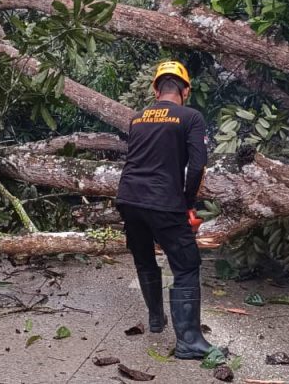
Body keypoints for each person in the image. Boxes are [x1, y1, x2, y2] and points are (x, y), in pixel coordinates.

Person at [115, 60, 212, 359]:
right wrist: (188, 203)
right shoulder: (190, 117)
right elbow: (196, 166)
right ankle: (189, 342)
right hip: (164, 202)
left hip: (128, 198)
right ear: (185, 89)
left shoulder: (138, 118)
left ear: (156, 88)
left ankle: (156, 320)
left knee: (145, 260)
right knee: (185, 266)